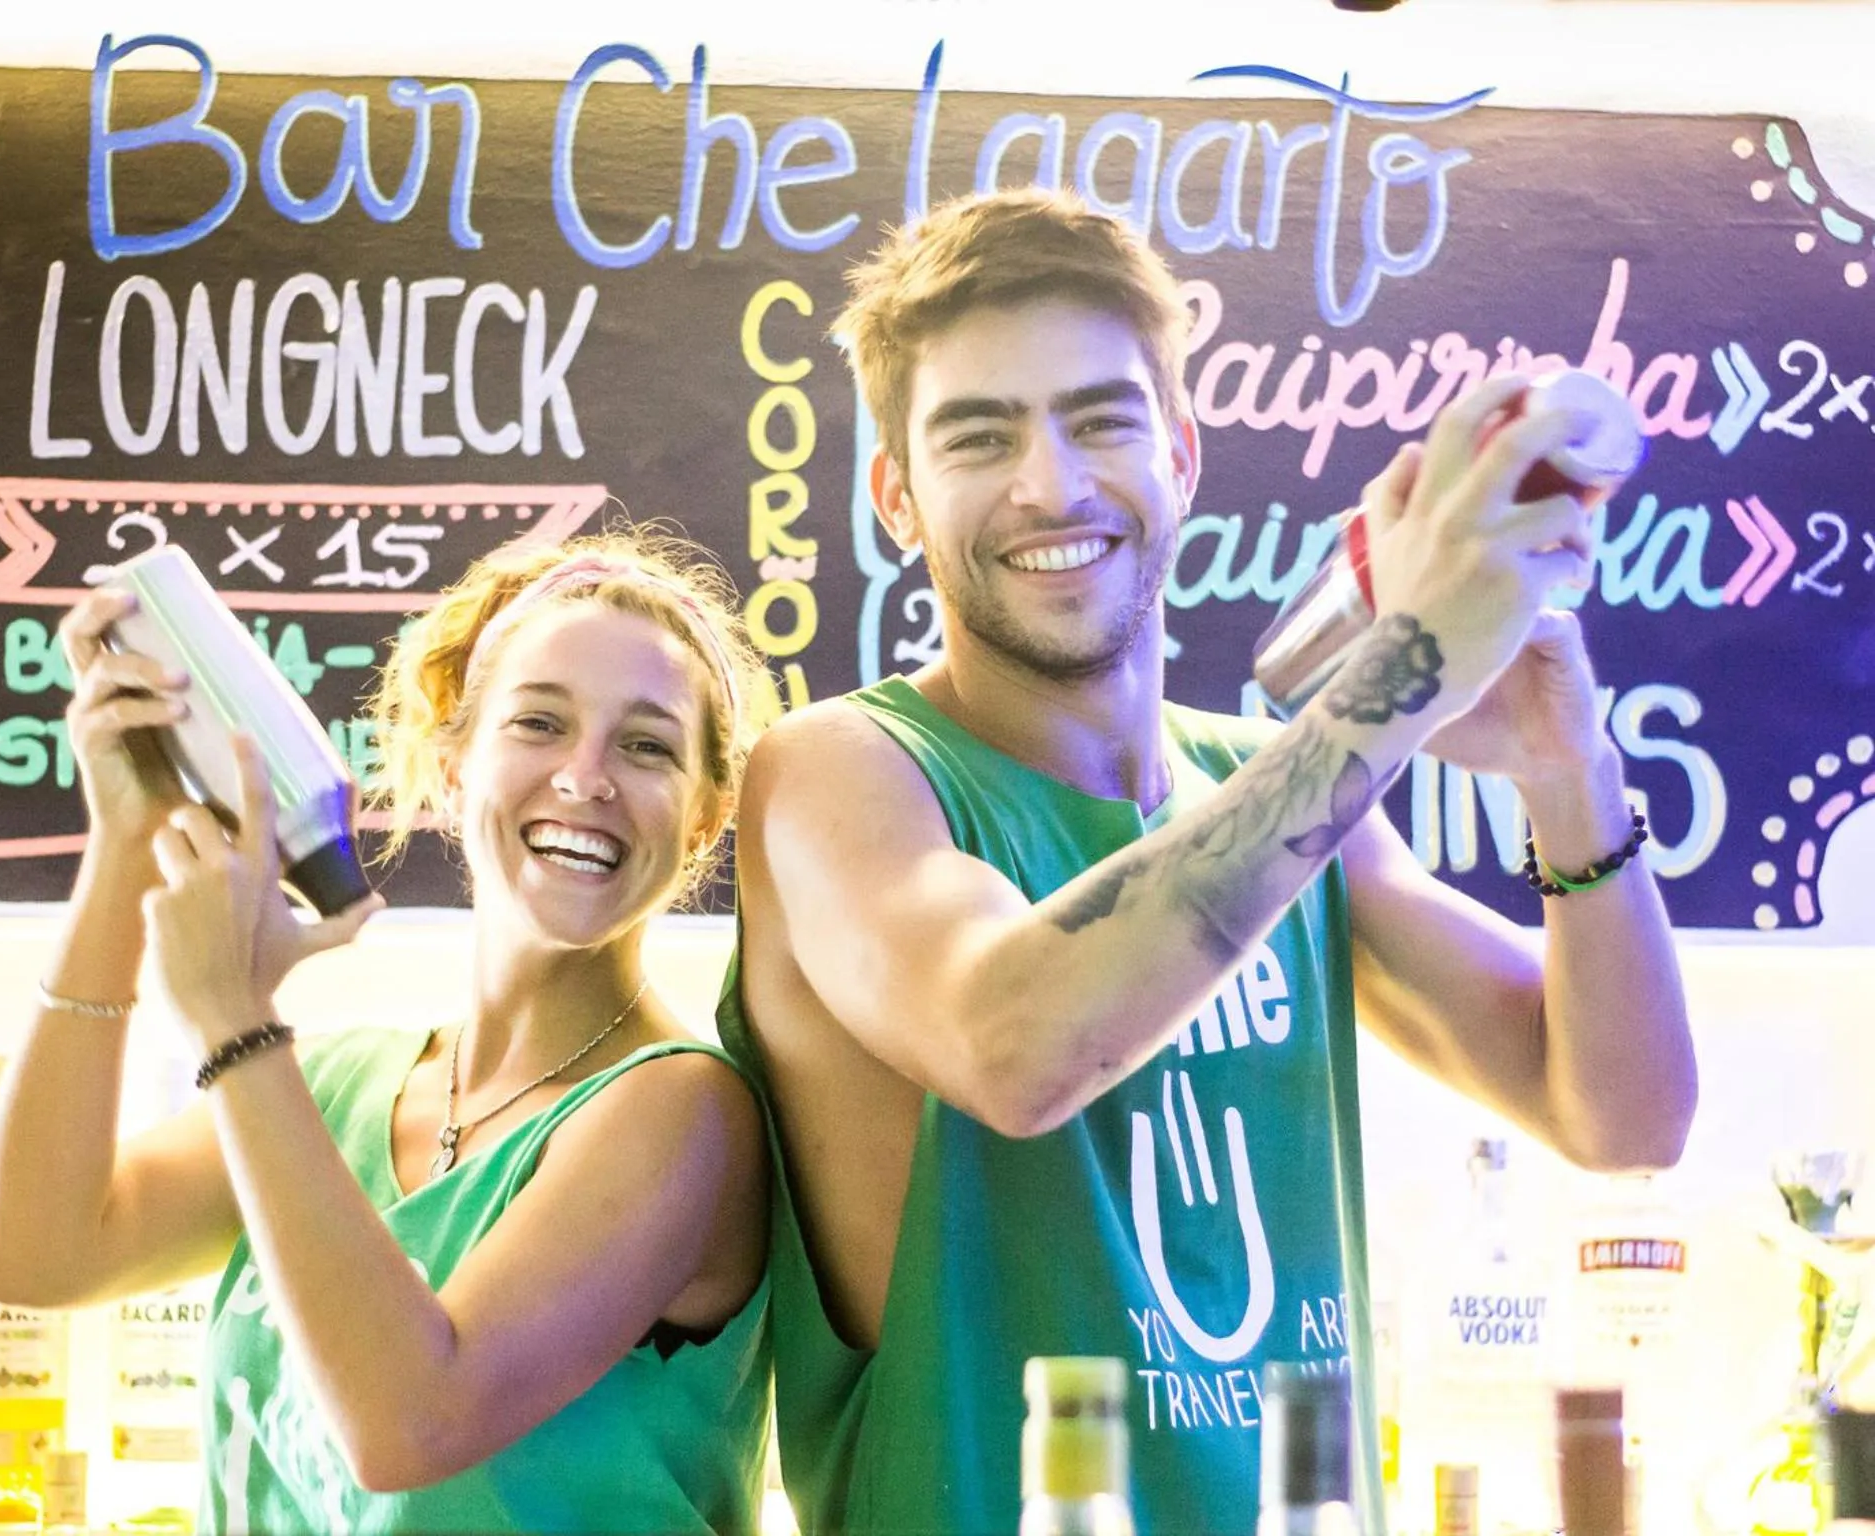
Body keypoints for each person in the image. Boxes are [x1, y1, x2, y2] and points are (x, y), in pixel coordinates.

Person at [718, 186, 1696, 1535]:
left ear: (1180, 452)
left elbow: (1624, 1117)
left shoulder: (1278, 784)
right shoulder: (844, 771)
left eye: (1100, 419)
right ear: (896, 495)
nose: (1050, 483)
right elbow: (1016, 1043)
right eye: (978, 435)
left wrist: (1566, 765)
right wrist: (1404, 679)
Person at [0, 529, 775, 1533]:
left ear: (706, 815)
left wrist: (234, 1022)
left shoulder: (683, 1112)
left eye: (646, 745)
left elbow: (412, 1423)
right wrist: (125, 843)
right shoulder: (342, 1088)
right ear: (449, 763)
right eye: (537, 723)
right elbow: (33, 1257)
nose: (584, 778)